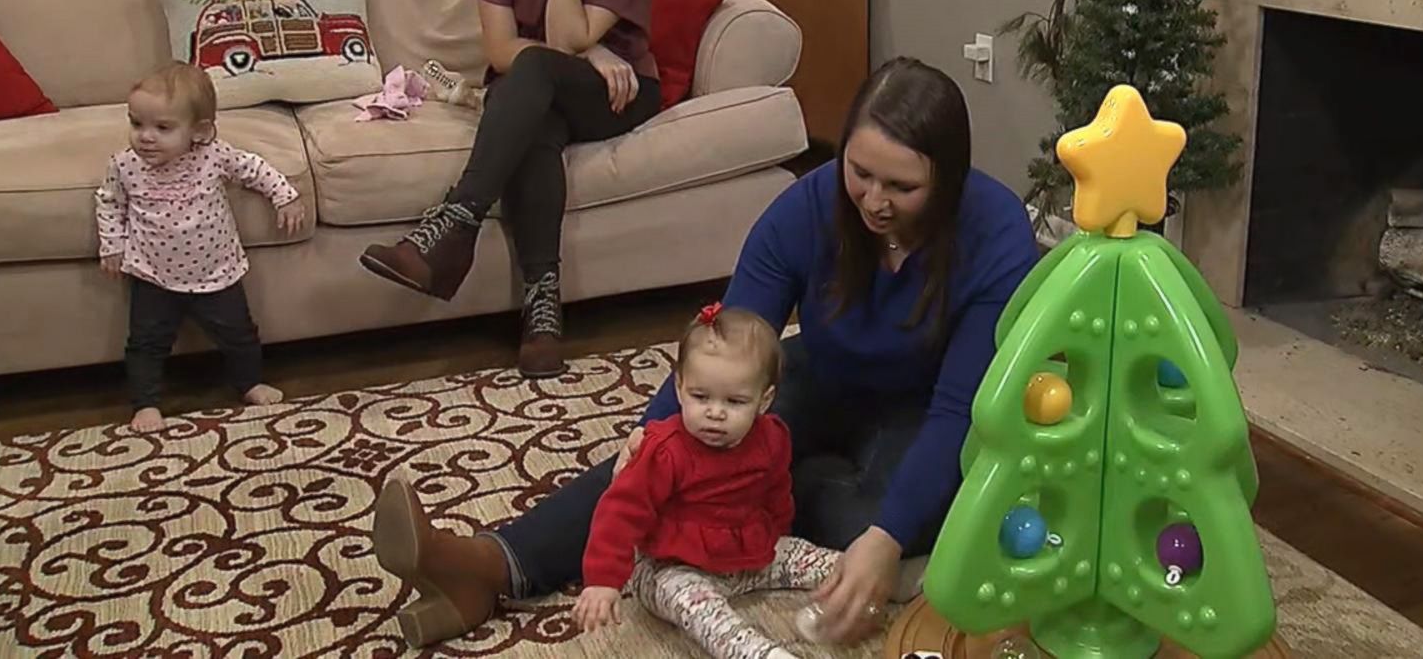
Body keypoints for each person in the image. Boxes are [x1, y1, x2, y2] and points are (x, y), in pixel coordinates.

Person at [369, 58, 1039, 648]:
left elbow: (959, 410)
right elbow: (728, 340)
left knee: (868, 530)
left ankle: (787, 494)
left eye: (902, 187)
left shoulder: (996, 231)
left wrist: (887, 539)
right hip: (819, 376)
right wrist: (650, 436)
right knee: (677, 448)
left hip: (925, 412)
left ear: (947, 182)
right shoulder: (806, 208)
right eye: (860, 174)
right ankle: (490, 566)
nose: (874, 200)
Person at [360, 0, 661, 378]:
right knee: (534, 121)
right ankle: (542, 311)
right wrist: (585, 49)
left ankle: (452, 226)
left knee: (534, 81)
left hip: (618, 94)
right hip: (532, 89)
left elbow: (564, 38)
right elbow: (501, 51)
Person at [569, 303, 837, 659]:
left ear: (764, 400)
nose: (715, 412)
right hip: (670, 567)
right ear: (679, 388)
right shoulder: (665, 451)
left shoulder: (773, 437)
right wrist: (603, 580)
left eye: (735, 401)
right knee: (700, 610)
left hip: (749, 556)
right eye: (700, 396)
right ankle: (758, 652)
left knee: (814, 557)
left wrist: (777, 534)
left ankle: (891, 581)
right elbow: (620, 511)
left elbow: (776, 490)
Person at [95, 65, 308, 432]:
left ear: (200, 131)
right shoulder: (125, 165)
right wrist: (112, 246)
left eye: (162, 128)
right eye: (136, 124)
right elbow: (109, 202)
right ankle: (146, 404)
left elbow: (254, 168)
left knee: (240, 334)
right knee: (146, 343)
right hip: (153, 274)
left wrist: (284, 196)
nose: (145, 137)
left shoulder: (213, 155)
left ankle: (249, 382)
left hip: (217, 271)